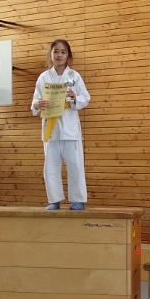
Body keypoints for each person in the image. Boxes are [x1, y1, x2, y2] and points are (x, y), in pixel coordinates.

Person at [31, 39, 90, 210]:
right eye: (56, 51)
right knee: (50, 166)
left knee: (75, 164)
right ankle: (54, 200)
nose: (59, 55)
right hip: (50, 126)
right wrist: (37, 104)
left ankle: (78, 199)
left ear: (68, 55)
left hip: (69, 126)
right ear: (50, 54)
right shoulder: (44, 77)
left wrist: (75, 97)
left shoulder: (74, 76)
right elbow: (35, 100)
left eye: (63, 52)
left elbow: (85, 98)